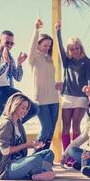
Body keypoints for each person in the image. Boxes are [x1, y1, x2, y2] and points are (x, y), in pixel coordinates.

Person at [0, 93, 56, 181]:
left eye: (27, 108)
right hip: (6, 168)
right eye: (23, 108)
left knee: (48, 153)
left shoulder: (18, 123)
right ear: (14, 106)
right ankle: (40, 173)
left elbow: (20, 146)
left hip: (19, 161)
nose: (25, 111)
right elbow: (5, 151)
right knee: (36, 159)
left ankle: (40, 172)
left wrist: (32, 145)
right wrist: (26, 145)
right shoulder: (6, 124)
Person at [0, 30, 39, 123]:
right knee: (8, 117)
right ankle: (10, 127)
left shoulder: (10, 57)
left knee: (34, 108)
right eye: (7, 42)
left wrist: (19, 63)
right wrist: (5, 64)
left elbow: (18, 77)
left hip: (7, 89)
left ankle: (13, 125)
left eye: (12, 43)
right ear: (0, 40)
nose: (9, 45)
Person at [55, 21, 90, 153]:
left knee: (76, 124)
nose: (75, 51)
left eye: (77, 48)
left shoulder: (87, 61)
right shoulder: (67, 62)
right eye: (72, 49)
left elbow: (89, 80)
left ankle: (74, 153)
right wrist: (58, 32)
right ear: (69, 50)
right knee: (66, 125)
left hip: (81, 97)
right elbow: (59, 49)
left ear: (81, 48)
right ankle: (67, 155)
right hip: (67, 96)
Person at [28, 19, 59, 151]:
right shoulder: (34, 57)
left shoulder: (49, 59)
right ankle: (36, 154)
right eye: (45, 45)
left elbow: (49, 78)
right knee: (46, 128)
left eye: (49, 46)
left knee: (51, 130)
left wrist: (57, 84)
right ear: (38, 45)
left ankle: (45, 156)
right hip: (41, 99)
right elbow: (31, 46)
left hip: (54, 98)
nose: (47, 48)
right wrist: (36, 30)